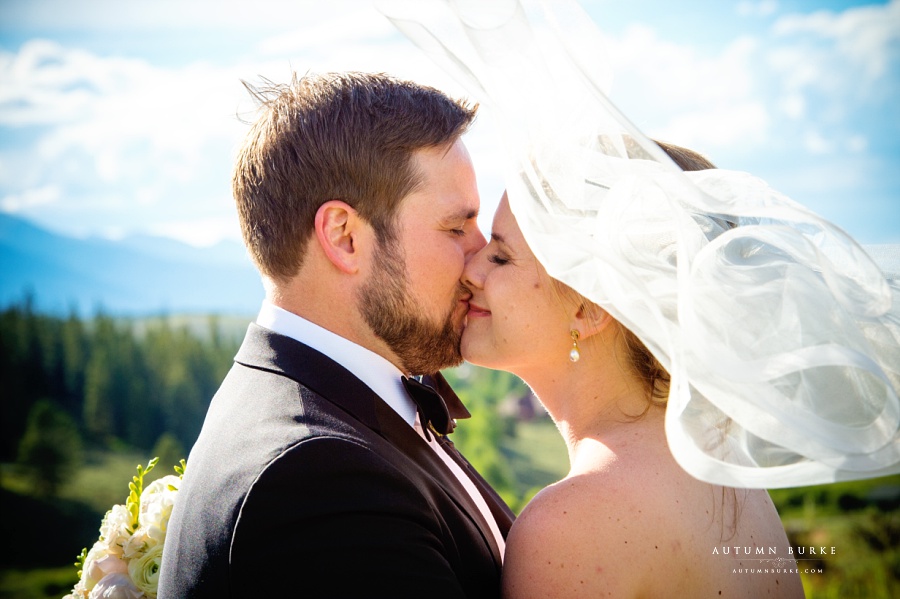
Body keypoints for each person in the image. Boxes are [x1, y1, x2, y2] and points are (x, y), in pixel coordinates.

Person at [158, 72, 515, 598]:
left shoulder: (336, 412)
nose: (480, 257)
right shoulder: (316, 479)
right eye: (456, 228)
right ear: (345, 237)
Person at [461, 142, 804, 598]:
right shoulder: (726, 474)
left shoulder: (573, 525)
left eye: (500, 257)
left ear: (587, 306)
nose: (470, 270)